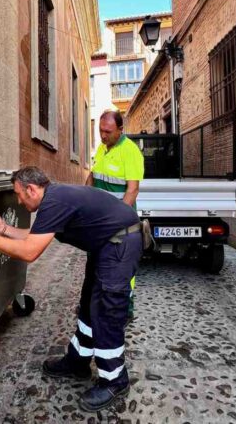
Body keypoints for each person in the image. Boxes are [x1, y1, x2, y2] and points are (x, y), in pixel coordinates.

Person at [0, 166, 143, 412]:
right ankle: (77, 361)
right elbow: (36, 235)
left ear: (32, 189)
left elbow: (29, 252)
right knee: (90, 304)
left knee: (107, 312)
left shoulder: (55, 202)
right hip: (106, 244)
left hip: (119, 246)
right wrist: (1, 228)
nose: (18, 200)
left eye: (18, 194)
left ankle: (115, 380)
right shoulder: (54, 198)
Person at [86, 110, 144, 323]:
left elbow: (132, 190)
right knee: (97, 264)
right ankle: (94, 307)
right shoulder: (101, 148)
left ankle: (125, 310)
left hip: (119, 224)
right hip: (99, 222)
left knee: (121, 269)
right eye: (100, 130)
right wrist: (83, 201)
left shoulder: (130, 151)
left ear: (121, 129)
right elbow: (93, 177)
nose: (103, 135)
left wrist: (116, 221)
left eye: (108, 131)